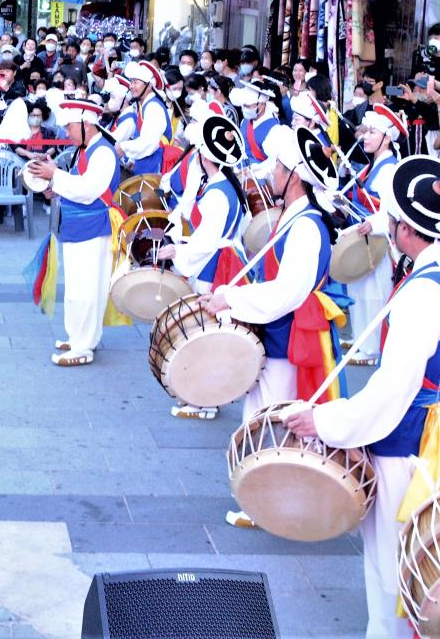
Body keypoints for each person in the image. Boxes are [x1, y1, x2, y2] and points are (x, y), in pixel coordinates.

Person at [284, 155, 440, 639]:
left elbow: (391, 392)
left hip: (412, 443)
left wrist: (322, 421)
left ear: (407, 231)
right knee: (414, 565)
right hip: (438, 432)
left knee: (393, 576)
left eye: (392, 221)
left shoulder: (424, 293)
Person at [197, 126, 341, 440]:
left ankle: (267, 485)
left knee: (274, 425)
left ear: (294, 178)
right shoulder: (294, 215)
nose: (272, 173)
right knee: (262, 421)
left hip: (289, 338)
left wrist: (230, 299)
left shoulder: (306, 226)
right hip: (279, 332)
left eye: (278, 168)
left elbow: (286, 292)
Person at [155, 115, 248, 418]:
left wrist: (176, 251)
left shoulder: (219, 193)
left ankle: (206, 400)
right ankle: (202, 396)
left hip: (213, 264)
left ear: (206, 156)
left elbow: (206, 242)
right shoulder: (224, 186)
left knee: (207, 332)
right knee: (207, 329)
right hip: (220, 259)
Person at [24, 96, 117, 368]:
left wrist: (55, 175)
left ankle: (84, 345)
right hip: (77, 225)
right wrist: (57, 184)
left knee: (86, 288)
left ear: (86, 124)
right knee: (79, 286)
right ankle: (80, 337)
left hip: (91, 226)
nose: (66, 132)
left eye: (70, 127)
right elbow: (78, 183)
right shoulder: (87, 149)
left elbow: (89, 191)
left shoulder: (102, 152)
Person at [340, 105, 410, 366]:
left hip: (379, 241)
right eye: (365, 131)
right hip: (364, 238)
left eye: (372, 132)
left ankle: (371, 348)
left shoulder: (390, 168)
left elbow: (392, 211)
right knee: (358, 289)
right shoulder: (373, 166)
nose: (365, 136)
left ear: (387, 137)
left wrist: (373, 222)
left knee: (373, 293)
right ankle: (360, 338)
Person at [112, 61, 172, 176]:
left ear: (149, 85)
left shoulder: (153, 107)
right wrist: (132, 160)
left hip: (154, 164)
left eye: (136, 82)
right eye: (131, 82)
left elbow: (149, 142)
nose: (131, 86)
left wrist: (123, 147)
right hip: (146, 162)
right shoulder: (144, 104)